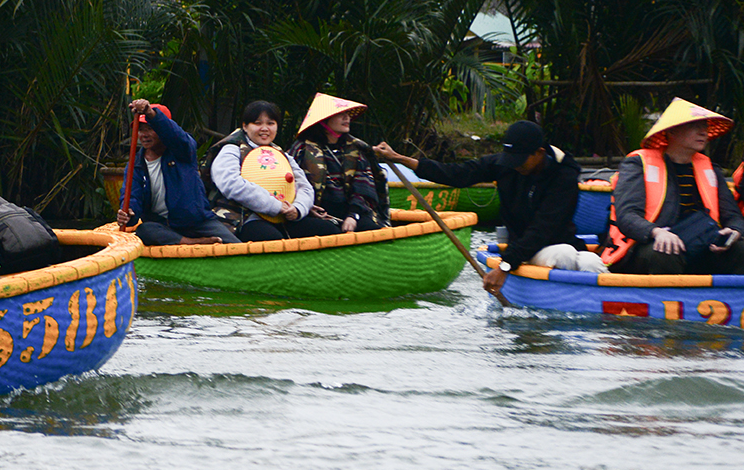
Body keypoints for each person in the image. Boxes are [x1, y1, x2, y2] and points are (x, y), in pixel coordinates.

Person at [375, 119, 603, 296]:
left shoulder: (564, 176)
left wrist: (504, 267)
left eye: (520, 161)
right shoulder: (506, 164)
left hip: (546, 242)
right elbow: (457, 174)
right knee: (565, 254)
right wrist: (399, 158)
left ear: (539, 153)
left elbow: (544, 228)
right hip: (525, 252)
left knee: (590, 262)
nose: (515, 167)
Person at [600, 99, 744, 276]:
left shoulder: (710, 169)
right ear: (672, 131)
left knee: (740, 249)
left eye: (705, 126)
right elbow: (627, 215)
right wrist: (657, 232)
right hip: (650, 244)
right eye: (694, 126)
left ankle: (732, 302)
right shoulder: (638, 164)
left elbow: (733, 215)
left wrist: (735, 231)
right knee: (664, 251)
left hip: (702, 242)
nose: (703, 132)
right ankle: (669, 303)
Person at [203, 100, 340, 243]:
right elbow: (230, 183)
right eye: (257, 123)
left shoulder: (282, 154)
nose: (264, 128)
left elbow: (303, 186)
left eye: (270, 123)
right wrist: (275, 206)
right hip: (243, 218)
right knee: (272, 240)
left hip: (284, 217)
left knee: (328, 231)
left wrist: (297, 209)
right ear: (245, 126)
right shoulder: (232, 149)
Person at [116, 99, 239, 246]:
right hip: (164, 227)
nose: (144, 135)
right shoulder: (135, 165)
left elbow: (175, 136)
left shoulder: (182, 151)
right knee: (144, 230)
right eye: (141, 129)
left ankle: (192, 240)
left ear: (163, 129)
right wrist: (128, 214)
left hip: (197, 223)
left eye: (150, 128)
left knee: (236, 246)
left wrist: (150, 113)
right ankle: (191, 243)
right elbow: (132, 198)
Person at [289, 92, 390, 234]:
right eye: (340, 114)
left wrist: (353, 215)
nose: (346, 118)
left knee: (373, 230)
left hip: (352, 210)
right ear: (324, 119)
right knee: (328, 230)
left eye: (348, 114)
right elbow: (289, 185)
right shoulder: (301, 149)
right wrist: (307, 207)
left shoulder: (357, 148)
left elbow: (362, 188)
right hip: (313, 211)